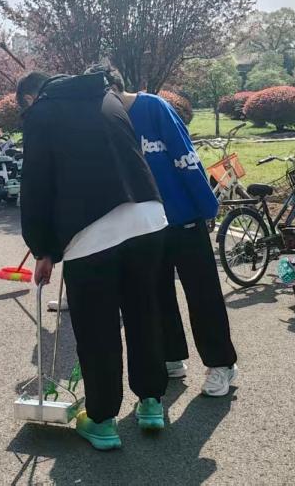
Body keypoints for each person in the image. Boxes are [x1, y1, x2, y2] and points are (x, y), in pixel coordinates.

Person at [17, 70, 169, 451]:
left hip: (92, 233)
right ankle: (152, 402)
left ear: (34, 97)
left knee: (98, 328)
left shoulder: (41, 115)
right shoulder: (109, 98)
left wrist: (43, 249)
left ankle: (101, 420)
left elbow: (36, 187)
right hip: (149, 219)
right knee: (144, 312)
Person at [87, 63, 238, 398]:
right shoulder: (106, 121)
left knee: (202, 294)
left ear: (113, 88)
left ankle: (222, 364)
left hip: (184, 217)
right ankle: (172, 356)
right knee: (157, 295)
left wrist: (207, 207)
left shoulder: (154, 108)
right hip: (145, 226)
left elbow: (186, 157)